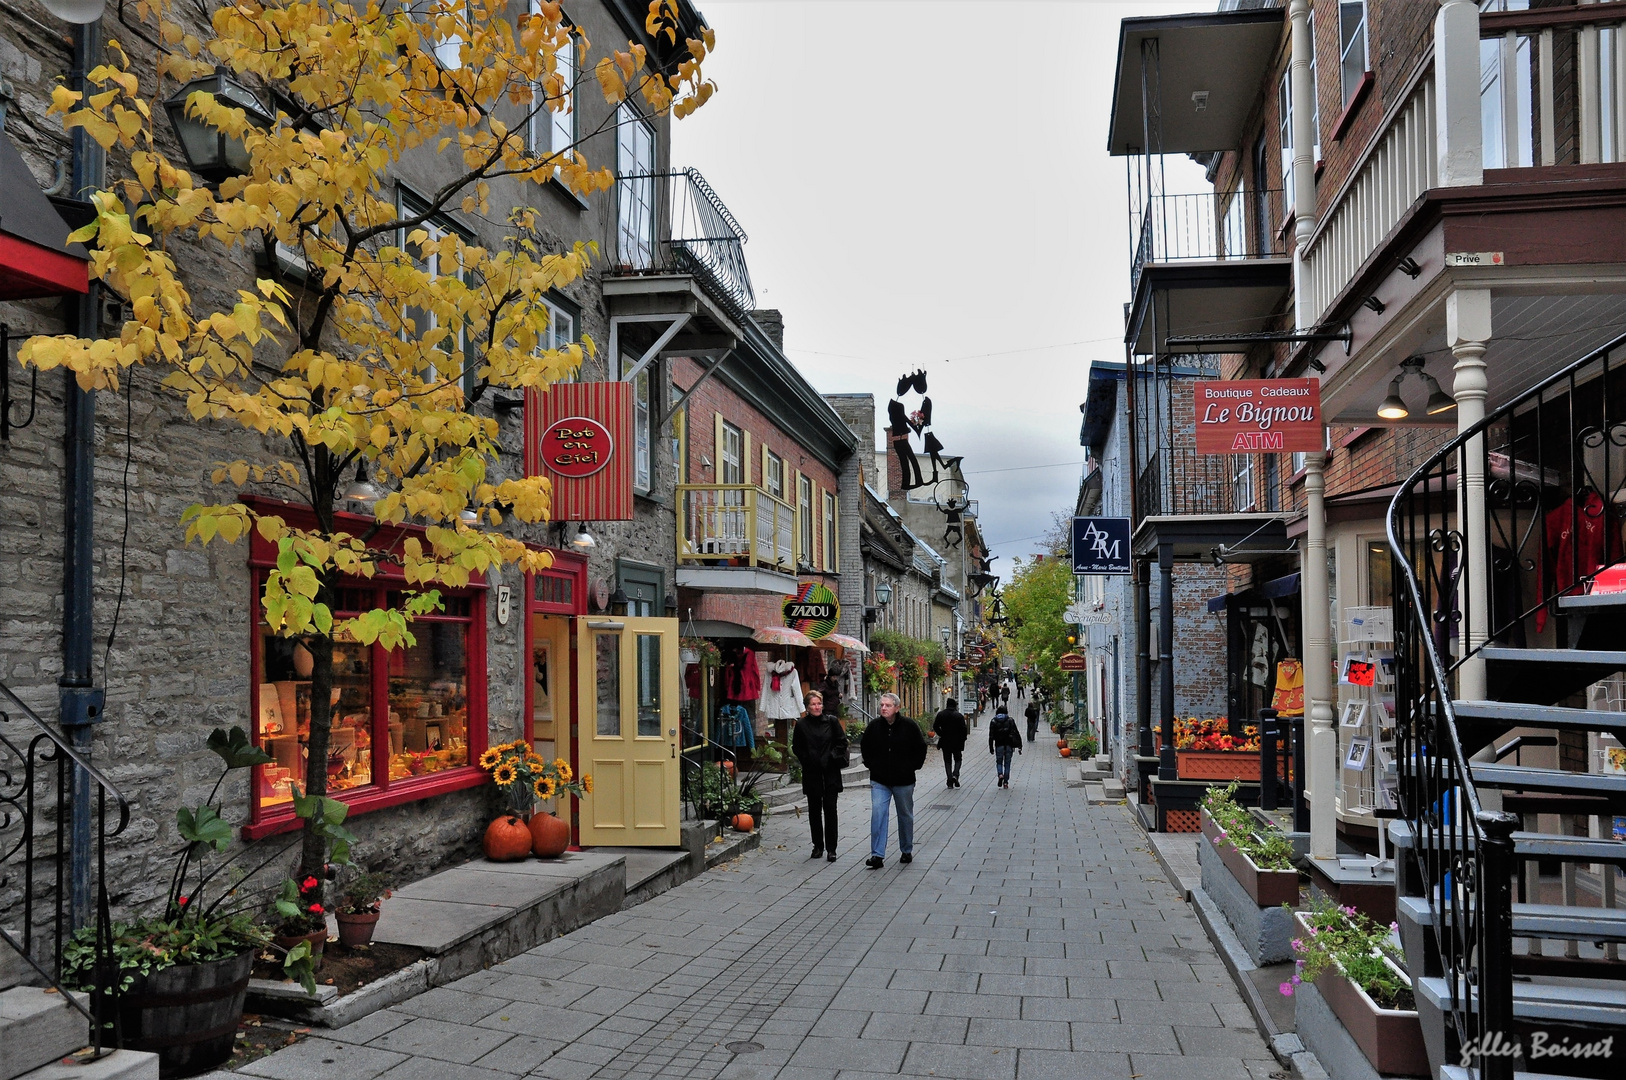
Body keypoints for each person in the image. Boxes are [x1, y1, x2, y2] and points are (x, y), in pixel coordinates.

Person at [860, 692, 928, 868]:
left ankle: (906, 850)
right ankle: (877, 854)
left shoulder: (909, 726)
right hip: (880, 779)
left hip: (903, 780)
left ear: (897, 708)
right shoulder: (874, 726)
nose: (883, 708)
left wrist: (912, 766)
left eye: (887, 705)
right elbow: (865, 747)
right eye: (882, 705)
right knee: (878, 814)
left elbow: (920, 748)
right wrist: (871, 765)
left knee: (905, 815)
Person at [791, 691, 848, 862]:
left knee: (831, 810)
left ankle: (832, 849)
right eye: (813, 704)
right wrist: (807, 759)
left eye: (819, 704)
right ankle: (817, 845)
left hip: (830, 772)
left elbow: (842, 742)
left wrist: (832, 756)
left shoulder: (831, 722)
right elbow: (797, 747)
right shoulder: (801, 725)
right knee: (814, 811)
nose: (817, 707)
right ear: (807, 707)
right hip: (812, 772)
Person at [931, 698, 968, 788]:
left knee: (947, 761)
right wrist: (963, 739)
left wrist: (941, 734)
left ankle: (949, 780)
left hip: (945, 741)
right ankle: (955, 774)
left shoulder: (941, 714)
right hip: (957, 741)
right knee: (958, 759)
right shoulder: (959, 716)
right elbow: (964, 730)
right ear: (955, 705)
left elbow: (935, 726)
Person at [988, 707, 1022, 788]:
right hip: (1009, 745)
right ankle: (1006, 782)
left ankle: (1000, 774)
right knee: (1007, 763)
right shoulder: (1010, 720)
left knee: (999, 762)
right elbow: (1016, 733)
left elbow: (991, 736)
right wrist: (1019, 744)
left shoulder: (993, 721)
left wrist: (991, 747)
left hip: (999, 744)